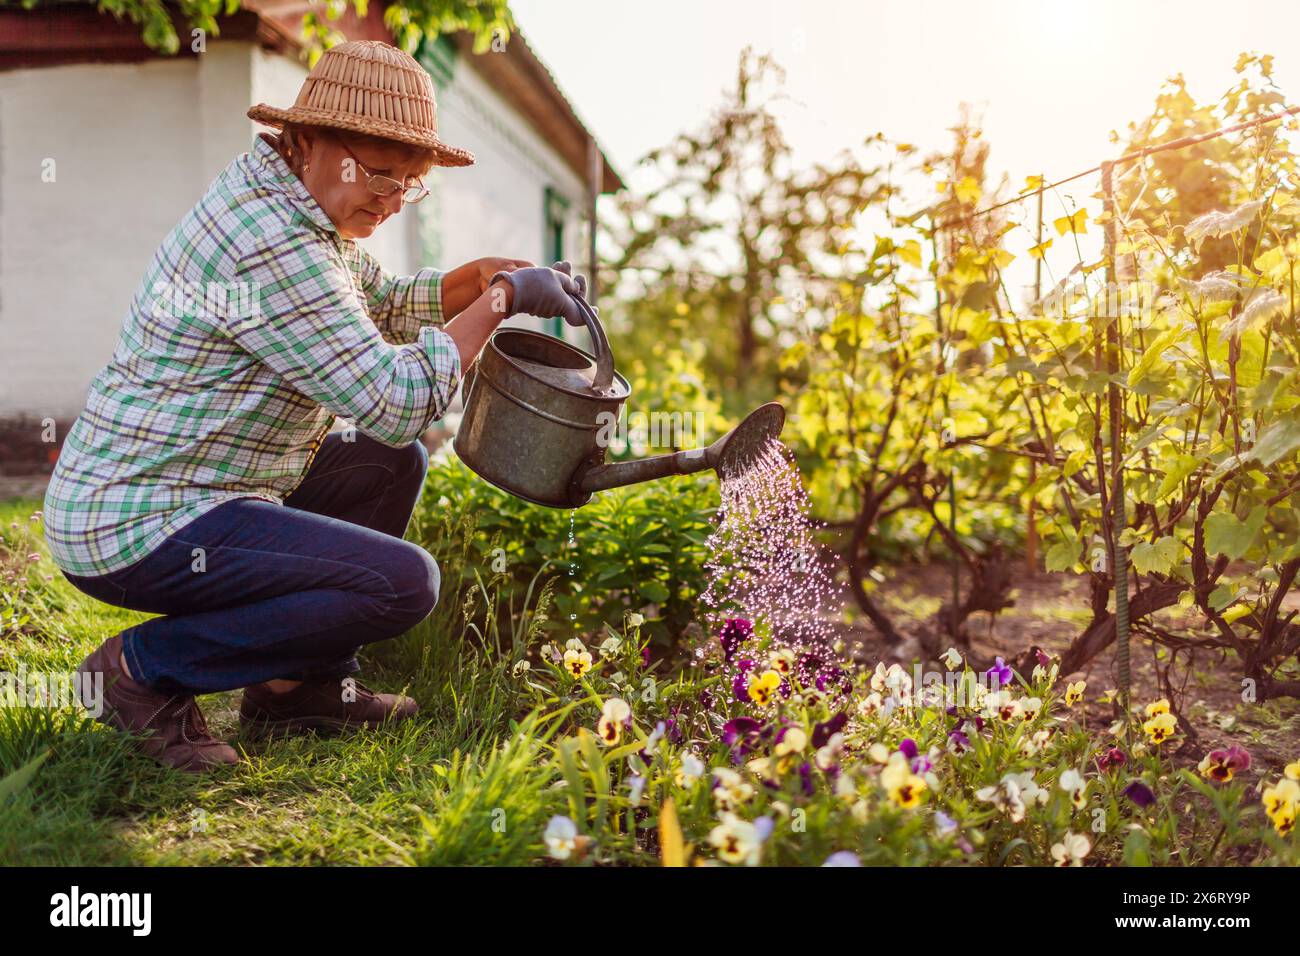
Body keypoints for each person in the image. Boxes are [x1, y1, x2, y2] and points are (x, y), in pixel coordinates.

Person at [43, 39, 593, 773]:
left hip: (195, 483)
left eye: (410, 184)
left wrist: (487, 275)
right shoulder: (272, 242)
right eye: (376, 174)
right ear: (305, 141)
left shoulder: (290, 203)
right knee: (403, 583)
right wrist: (499, 304)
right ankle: (138, 671)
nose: (392, 199)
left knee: (385, 465)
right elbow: (396, 400)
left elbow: (387, 302)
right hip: (136, 516)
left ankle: (296, 687)